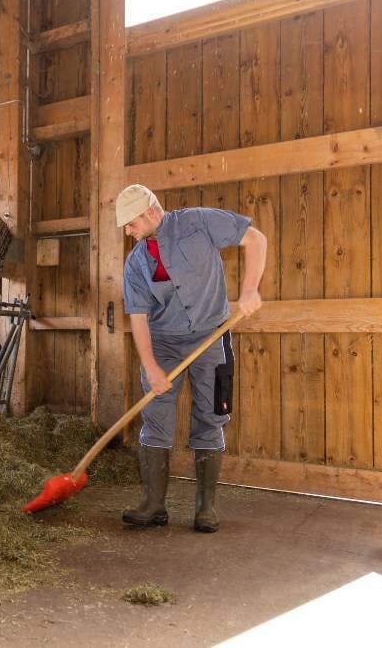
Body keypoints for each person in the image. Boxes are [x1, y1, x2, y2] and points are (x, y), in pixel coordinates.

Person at [117, 184, 266, 533]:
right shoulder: (136, 261)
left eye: (131, 223)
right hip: (164, 343)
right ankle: (153, 504)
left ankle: (205, 508)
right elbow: (137, 317)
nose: (128, 231)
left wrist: (249, 289)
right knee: (155, 417)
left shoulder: (199, 223)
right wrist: (151, 367)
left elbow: (255, 239)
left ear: (152, 213)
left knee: (210, 416)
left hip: (211, 337)